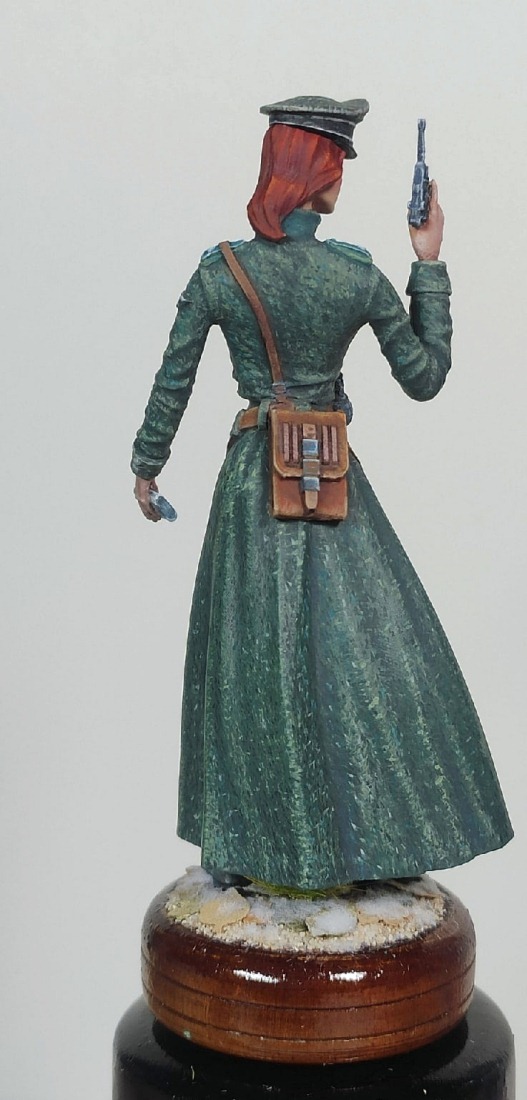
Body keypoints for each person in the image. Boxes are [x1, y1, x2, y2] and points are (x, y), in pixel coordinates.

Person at [131, 97, 512, 891]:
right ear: (322, 171)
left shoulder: (220, 271)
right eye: (339, 164)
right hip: (333, 482)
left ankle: (255, 845)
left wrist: (147, 463)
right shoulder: (353, 273)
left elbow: (174, 378)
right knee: (362, 657)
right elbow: (425, 376)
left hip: (252, 484)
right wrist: (428, 263)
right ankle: (348, 842)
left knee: (248, 662)